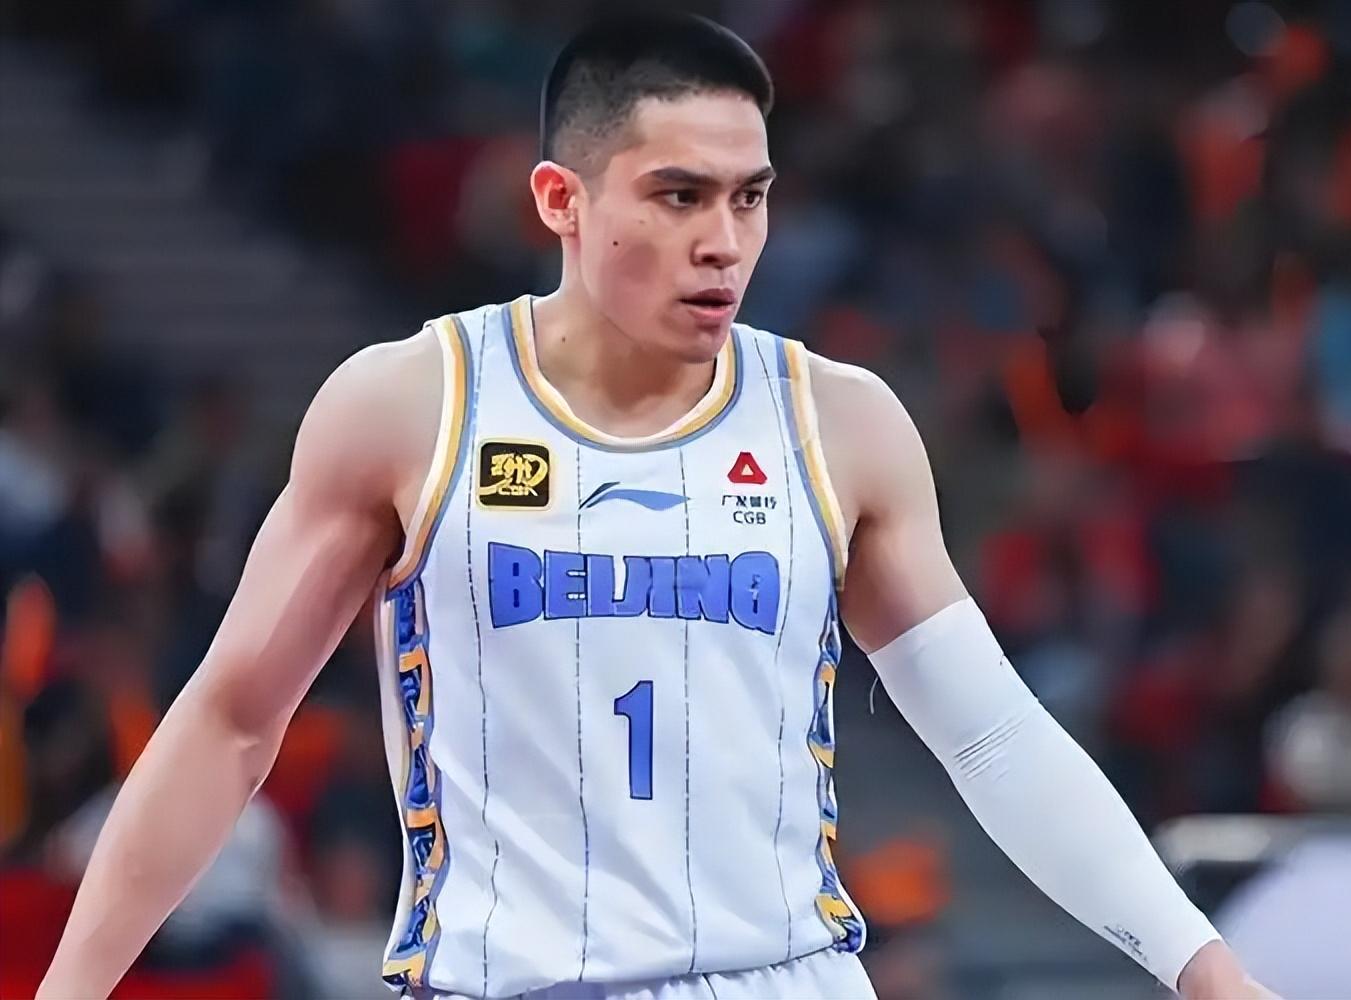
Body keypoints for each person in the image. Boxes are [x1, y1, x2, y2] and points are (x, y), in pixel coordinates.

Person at [38, 13, 1274, 1000]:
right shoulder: (410, 405)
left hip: (784, 975)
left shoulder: (838, 421)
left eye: (749, 196)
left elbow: (990, 735)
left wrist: (1203, 968)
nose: (723, 240)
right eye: (679, 196)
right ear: (559, 200)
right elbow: (232, 721)